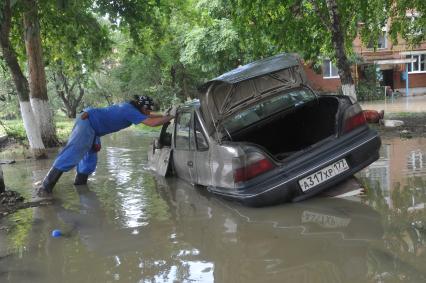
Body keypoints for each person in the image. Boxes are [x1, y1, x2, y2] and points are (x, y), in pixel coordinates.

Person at [35, 95, 175, 198]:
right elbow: (151, 123)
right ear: (142, 107)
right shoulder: (130, 110)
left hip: (93, 128)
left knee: (90, 159)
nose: (149, 113)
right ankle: (45, 187)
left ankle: (80, 186)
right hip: (87, 122)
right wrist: (169, 117)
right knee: (72, 153)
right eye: (148, 110)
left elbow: (150, 116)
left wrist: (165, 114)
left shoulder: (133, 109)